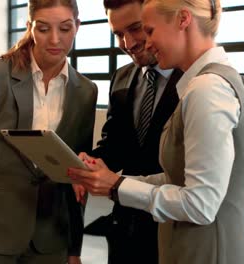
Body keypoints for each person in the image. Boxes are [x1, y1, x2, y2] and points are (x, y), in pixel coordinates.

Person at [69, 0, 244, 263]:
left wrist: (117, 185)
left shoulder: (206, 90)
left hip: (201, 245)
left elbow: (205, 202)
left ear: (182, 20)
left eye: (148, 30)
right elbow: (175, 176)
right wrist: (111, 181)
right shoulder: (212, 81)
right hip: (157, 234)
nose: (142, 42)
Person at [0, 0, 97, 263]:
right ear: (29, 27)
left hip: (52, 238)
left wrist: (74, 249)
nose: (54, 39)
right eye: (43, 28)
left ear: (77, 27)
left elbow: (76, 177)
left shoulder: (86, 91)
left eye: (64, 28)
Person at [80, 0, 182, 263]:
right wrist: (93, 162)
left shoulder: (199, 82)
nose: (127, 43)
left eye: (136, 28)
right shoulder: (122, 78)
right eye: (117, 34)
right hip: (125, 228)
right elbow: (114, 146)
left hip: (175, 229)